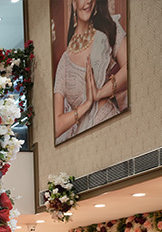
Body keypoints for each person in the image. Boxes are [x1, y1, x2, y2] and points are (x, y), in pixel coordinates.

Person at [53, 0, 128, 144]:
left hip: (110, 127)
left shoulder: (108, 29)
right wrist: (87, 104)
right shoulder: (64, 62)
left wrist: (100, 93)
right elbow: (57, 127)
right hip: (84, 141)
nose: (88, 1)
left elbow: (130, 66)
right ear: (74, 3)